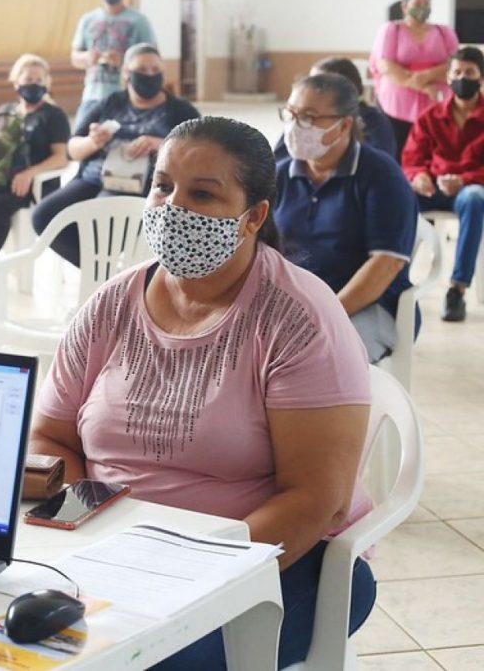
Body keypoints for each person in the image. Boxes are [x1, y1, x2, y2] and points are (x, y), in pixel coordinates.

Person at [31, 115, 376, 670]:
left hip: (273, 562)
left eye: (202, 193)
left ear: (254, 216)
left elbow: (316, 500)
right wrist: (86, 528)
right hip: (112, 554)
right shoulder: (113, 304)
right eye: (163, 185)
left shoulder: (297, 318)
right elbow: (51, 434)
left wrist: (183, 570)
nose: (172, 207)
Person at [274, 73, 417, 363]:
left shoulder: (379, 174)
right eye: (291, 114)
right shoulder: (280, 174)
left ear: (345, 125)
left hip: (366, 304)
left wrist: (327, 314)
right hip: (294, 302)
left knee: (325, 362)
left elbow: (386, 263)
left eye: (310, 117)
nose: (295, 126)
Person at [32, 44, 199, 267]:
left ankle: (104, 273)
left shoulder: (180, 111)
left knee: (101, 221)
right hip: (93, 177)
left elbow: (198, 154)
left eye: (155, 69)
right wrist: (93, 142)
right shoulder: (111, 102)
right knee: (44, 216)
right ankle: (102, 271)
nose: (149, 75)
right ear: (126, 73)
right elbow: (72, 149)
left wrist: (160, 145)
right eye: (142, 69)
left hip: (142, 185)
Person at [0, 54, 70, 296]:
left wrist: (30, 173)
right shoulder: (5, 112)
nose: (34, 84)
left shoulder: (53, 115)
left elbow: (61, 157)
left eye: (39, 80)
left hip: (31, 187)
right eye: (28, 79)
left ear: (47, 84)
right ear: (16, 82)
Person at [402, 46, 484, 322]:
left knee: (474, 198)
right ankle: (395, 279)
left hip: (472, 189)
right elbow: (412, 158)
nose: (462, 77)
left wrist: (465, 180)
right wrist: (418, 176)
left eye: (469, 72)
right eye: (457, 72)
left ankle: (457, 289)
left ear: (481, 78)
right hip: (433, 189)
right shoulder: (430, 117)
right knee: (399, 198)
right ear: (448, 78)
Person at [369, 0, 458, 156]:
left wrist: (425, 76)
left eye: (426, 3)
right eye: (418, 3)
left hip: (437, 105)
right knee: (397, 152)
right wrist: (424, 87)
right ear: (404, 6)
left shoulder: (444, 32)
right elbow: (386, 67)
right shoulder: (391, 30)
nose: (422, 7)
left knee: (434, 153)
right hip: (397, 108)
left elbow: (454, 65)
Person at [273, 58, 397, 161]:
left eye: (320, 84)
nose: (309, 88)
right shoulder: (298, 122)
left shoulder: (373, 121)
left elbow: (376, 160)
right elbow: (277, 162)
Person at [71, 0, 157, 128]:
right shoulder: (87, 20)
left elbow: (152, 58)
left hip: (127, 96)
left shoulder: (139, 21)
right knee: (79, 140)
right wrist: (88, 57)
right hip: (92, 96)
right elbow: (75, 57)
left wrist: (124, 60)